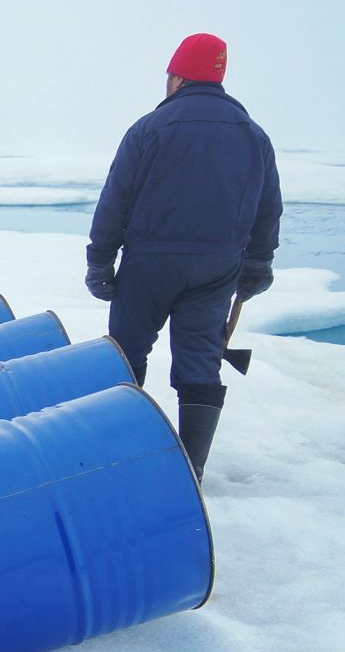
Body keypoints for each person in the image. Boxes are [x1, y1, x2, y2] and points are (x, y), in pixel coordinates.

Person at [86, 33, 281, 478]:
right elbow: (268, 208)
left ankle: (117, 455)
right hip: (216, 269)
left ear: (178, 77)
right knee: (200, 362)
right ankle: (191, 472)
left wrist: (101, 260)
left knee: (125, 352)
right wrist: (258, 264)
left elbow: (115, 199)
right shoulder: (254, 137)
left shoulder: (149, 130)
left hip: (149, 265)